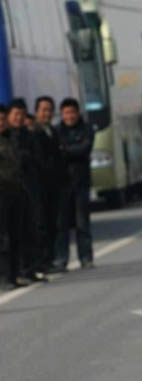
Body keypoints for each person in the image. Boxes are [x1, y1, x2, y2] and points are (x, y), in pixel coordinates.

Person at [50, 98, 95, 273]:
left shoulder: (86, 129)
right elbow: (55, 153)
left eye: (72, 112)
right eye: (66, 113)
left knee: (82, 223)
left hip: (81, 183)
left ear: (78, 113)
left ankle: (86, 257)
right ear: (62, 114)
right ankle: (61, 259)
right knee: (62, 225)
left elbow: (84, 149)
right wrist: (69, 150)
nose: (69, 116)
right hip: (62, 184)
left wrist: (65, 150)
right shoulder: (56, 131)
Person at [6, 98, 46, 282]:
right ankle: (17, 271)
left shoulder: (29, 135)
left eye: (22, 114)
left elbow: (38, 158)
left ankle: (31, 268)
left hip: (30, 187)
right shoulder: (7, 137)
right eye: (16, 114)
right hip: (11, 190)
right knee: (16, 232)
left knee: (32, 228)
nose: (19, 118)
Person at [34, 96, 62, 273]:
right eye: (43, 110)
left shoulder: (52, 130)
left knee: (53, 223)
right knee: (41, 224)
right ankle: (43, 261)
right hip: (40, 186)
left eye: (49, 110)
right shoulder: (34, 132)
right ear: (37, 111)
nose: (47, 113)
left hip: (54, 185)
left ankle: (50, 259)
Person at [0, 104, 27, 288]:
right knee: (2, 238)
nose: (1, 123)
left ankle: (15, 274)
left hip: (15, 192)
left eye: (3, 119)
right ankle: (4, 277)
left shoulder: (12, 139)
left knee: (15, 234)